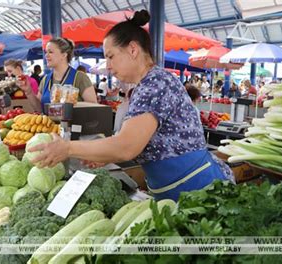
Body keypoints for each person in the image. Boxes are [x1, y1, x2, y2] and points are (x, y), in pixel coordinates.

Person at [28, 10, 233, 201]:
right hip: (179, 189)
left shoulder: (155, 84)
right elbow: (138, 142)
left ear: (133, 49)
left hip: (201, 187)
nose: (108, 66)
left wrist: (69, 148)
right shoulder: (147, 84)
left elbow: (126, 147)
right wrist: (102, 153)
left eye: (110, 56)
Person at [17, 37, 97, 113]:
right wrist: (28, 91)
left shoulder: (80, 77)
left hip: (73, 126)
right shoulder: (45, 80)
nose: (46, 55)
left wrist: (72, 104)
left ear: (64, 55)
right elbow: (39, 109)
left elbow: (94, 107)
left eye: (50, 52)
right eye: (46, 52)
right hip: (49, 127)